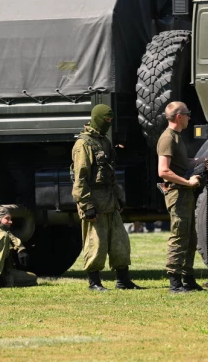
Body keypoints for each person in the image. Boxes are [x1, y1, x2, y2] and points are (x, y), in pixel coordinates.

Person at [72, 104, 142, 291]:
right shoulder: (84, 144)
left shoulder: (104, 141)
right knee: (96, 242)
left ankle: (123, 280)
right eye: (106, 120)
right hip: (93, 199)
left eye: (111, 121)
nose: (108, 124)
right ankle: (94, 282)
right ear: (97, 119)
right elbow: (80, 178)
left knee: (120, 241)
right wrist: (86, 206)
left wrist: (119, 198)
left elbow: (111, 174)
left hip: (109, 199)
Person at [157, 101, 208, 293]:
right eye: (188, 114)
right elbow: (163, 171)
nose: (190, 117)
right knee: (179, 236)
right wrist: (188, 182)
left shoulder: (177, 138)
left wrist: (202, 160)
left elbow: (182, 162)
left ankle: (188, 279)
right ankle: (175, 283)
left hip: (184, 193)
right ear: (179, 116)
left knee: (190, 238)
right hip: (177, 193)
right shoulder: (167, 139)